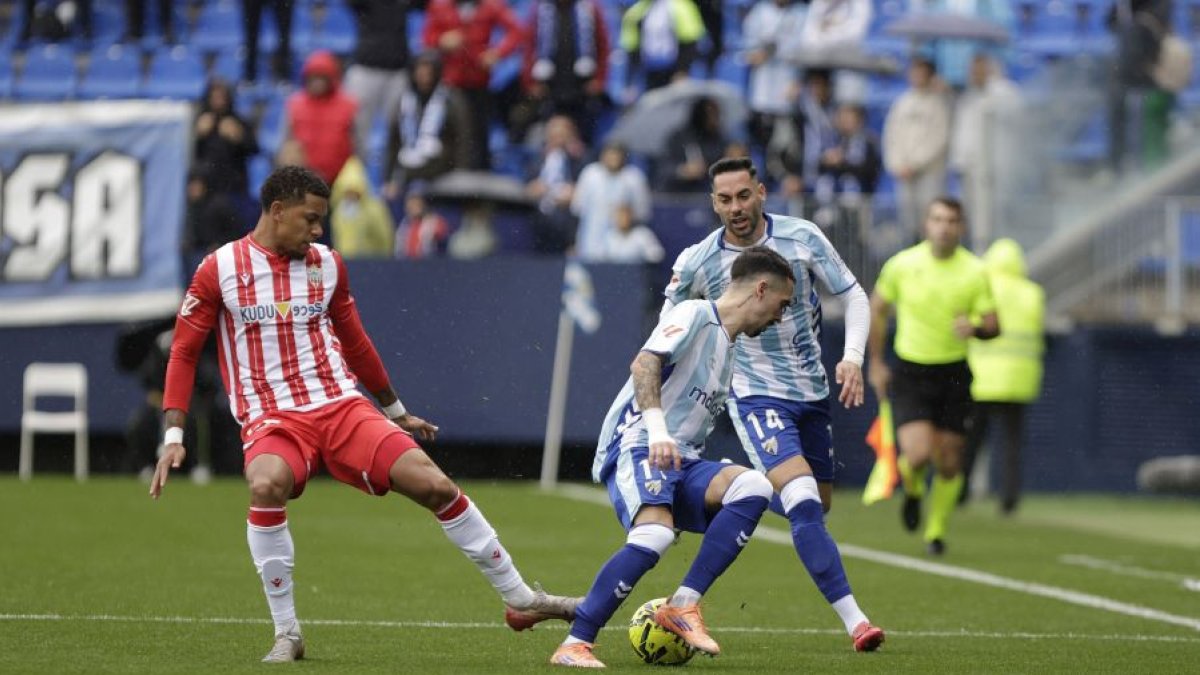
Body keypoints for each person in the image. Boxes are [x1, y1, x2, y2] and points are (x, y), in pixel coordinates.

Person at [150, 166, 580, 663]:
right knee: (266, 483)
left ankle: (521, 599)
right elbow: (183, 352)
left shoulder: (327, 265)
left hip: (340, 405)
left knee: (435, 485)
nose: (318, 230)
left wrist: (396, 410)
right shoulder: (219, 268)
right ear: (277, 211)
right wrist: (174, 432)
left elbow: (354, 341)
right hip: (272, 416)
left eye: (321, 221)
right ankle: (288, 632)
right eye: (310, 219)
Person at [663, 157, 885, 652]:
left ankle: (730, 491)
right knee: (804, 500)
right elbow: (668, 329)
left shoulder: (802, 237)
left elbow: (854, 295)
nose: (735, 208)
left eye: (743, 196)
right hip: (754, 392)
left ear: (761, 192)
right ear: (713, 203)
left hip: (812, 393)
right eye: (724, 199)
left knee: (814, 504)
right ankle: (857, 622)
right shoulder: (699, 260)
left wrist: (851, 358)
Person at [550, 246, 790, 668]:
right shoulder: (695, 313)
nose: (780, 316)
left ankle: (682, 605)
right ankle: (575, 643)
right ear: (761, 288)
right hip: (639, 441)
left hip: (681, 459)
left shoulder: (728, 348)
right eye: (781, 304)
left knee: (752, 486)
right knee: (655, 536)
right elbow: (644, 365)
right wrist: (659, 433)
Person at [867, 196, 999, 556]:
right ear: (926, 225)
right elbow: (877, 310)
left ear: (962, 227)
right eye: (937, 219)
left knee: (952, 460)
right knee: (919, 453)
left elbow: (992, 324)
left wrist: (973, 327)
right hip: (912, 369)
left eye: (951, 221)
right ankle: (912, 489)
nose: (944, 227)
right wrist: (875, 362)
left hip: (955, 373)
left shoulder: (975, 270)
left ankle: (935, 530)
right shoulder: (902, 265)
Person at [962, 238, 1044, 514]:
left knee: (972, 439)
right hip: (1020, 379)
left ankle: (959, 492)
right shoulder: (1033, 293)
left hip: (982, 378)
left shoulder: (983, 286)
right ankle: (1009, 497)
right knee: (1011, 443)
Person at [883, 58, 950, 240]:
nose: (917, 77)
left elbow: (939, 139)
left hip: (928, 173)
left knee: (929, 220)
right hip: (903, 174)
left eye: (922, 72)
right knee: (908, 222)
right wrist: (896, 164)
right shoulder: (901, 103)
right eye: (914, 72)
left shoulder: (938, 104)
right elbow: (891, 137)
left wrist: (915, 164)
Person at [284, 51, 358, 186]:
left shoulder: (348, 106)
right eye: (313, 78)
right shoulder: (294, 104)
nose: (317, 83)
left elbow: (357, 142)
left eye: (321, 78)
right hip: (303, 177)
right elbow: (286, 141)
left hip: (339, 177)